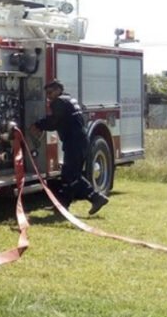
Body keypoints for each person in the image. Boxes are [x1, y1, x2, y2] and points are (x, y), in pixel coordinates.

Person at [29, 79, 109, 215]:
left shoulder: (59, 102)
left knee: (72, 175)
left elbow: (54, 122)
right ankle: (62, 206)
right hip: (79, 140)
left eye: (51, 92)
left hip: (74, 142)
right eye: (47, 93)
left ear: (59, 90)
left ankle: (97, 198)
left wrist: (38, 125)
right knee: (68, 175)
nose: (49, 96)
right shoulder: (69, 99)